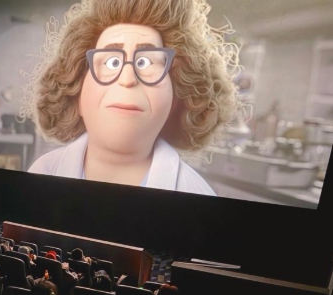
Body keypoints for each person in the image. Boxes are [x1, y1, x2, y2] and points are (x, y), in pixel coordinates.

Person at [24, 0, 239, 195]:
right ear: (75, 93)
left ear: (176, 100)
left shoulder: (197, 195)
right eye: (112, 62)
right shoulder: (43, 172)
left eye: (145, 62)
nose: (127, 79)